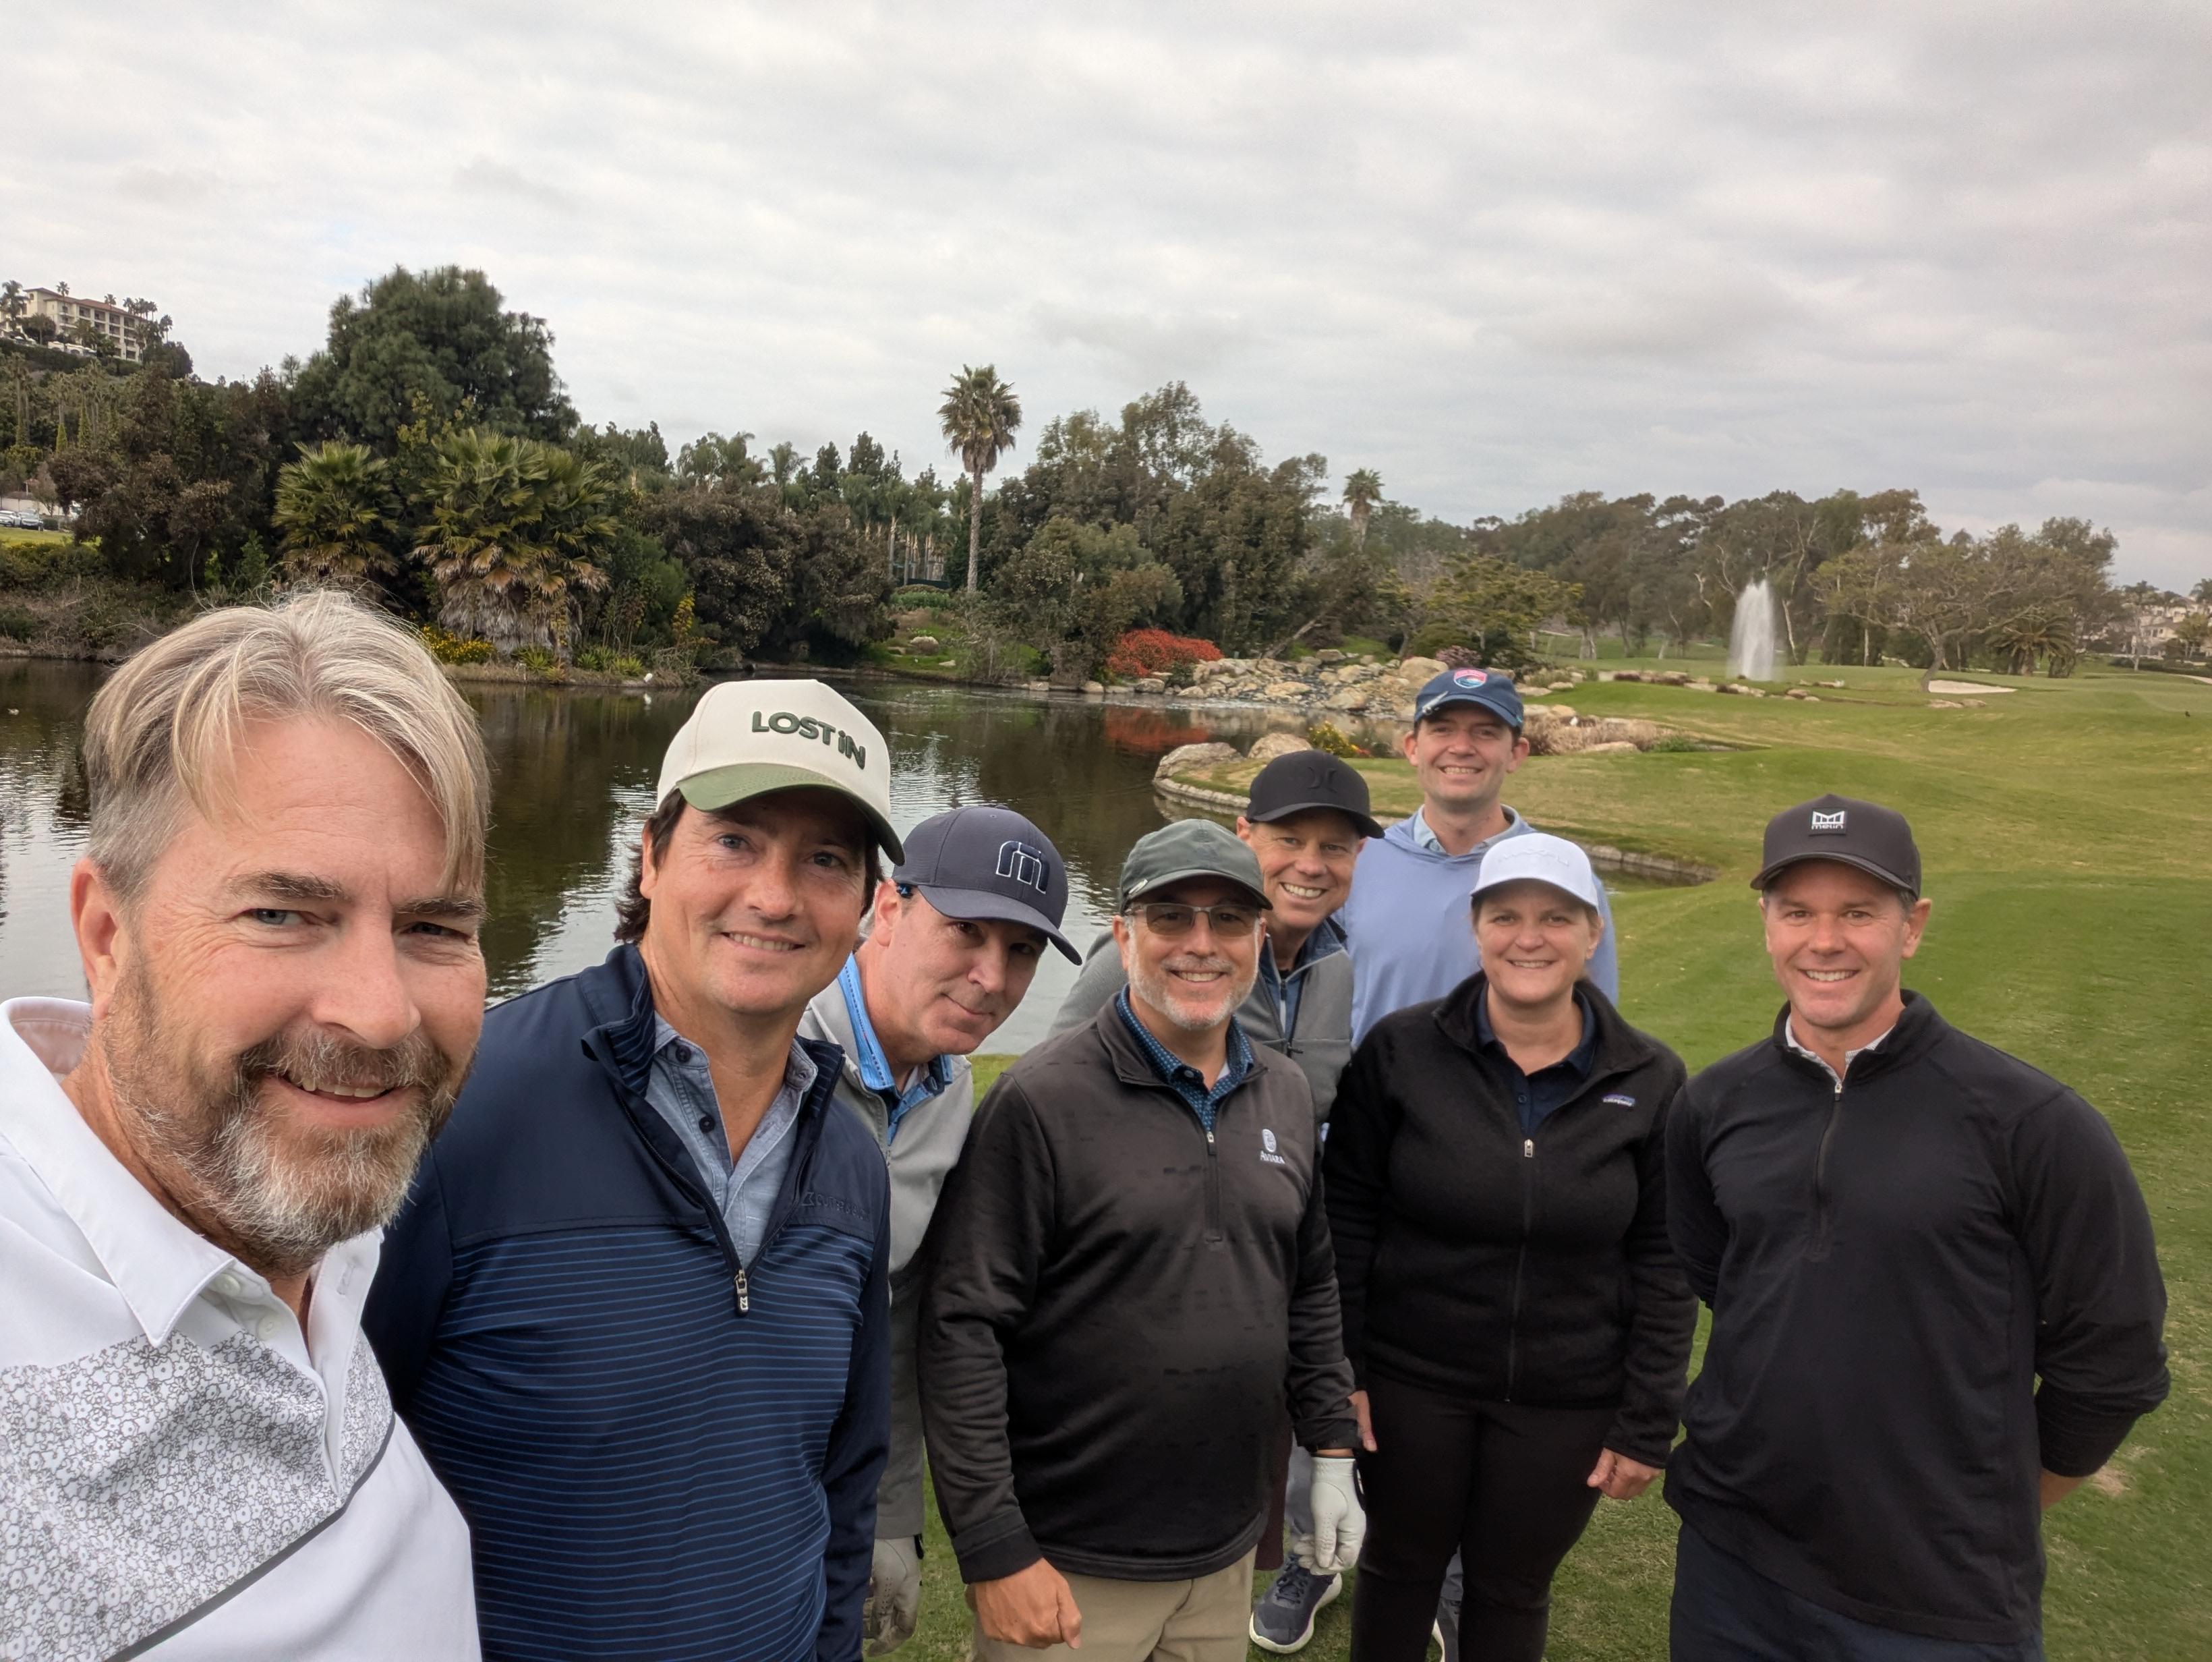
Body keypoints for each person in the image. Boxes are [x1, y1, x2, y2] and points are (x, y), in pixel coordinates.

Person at [364, 680, 899, 1662]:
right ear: (650, 855)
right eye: (733, 840)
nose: (774, 896)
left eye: (826, 859)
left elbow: (844, 1483)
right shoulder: (466, 1108)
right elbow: (334, 1463)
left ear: (867, 904)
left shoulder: (852, 1164)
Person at [1, 595, 490, 1659]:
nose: (382, 1013)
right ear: (106, 934)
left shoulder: (308, 1228)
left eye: (434, 926)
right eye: (280, 915)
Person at [1664, 795, 2170, 1660]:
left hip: (1936, 1596)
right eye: (1798, 912)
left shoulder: (2030, 1122)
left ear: (1913, 925)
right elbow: (1726, 1279)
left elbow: (2113, 1362)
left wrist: (1992, 1502)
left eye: (1858, 912)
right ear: (1767, 925)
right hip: (1732, 1565)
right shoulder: (1713, 1103)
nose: (1824, 941)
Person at [921, 818, 1366, 1662]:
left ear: (1259, 939)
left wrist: (1332, 1446)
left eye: (1228, 919)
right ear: (1123, 938)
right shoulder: (1040, 1102)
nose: (1201, 943)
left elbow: (1307, 1284)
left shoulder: (1282, 1092)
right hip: (1071, 1560)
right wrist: (992, 1543)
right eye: (1170, 917)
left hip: (1225, 1548)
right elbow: (962, 1329)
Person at [1325, 832, 1695, 1661]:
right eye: (1506, 916)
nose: (1530, 937)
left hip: (1567, 1398)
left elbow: (1663, 1258)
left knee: (1511, 1587)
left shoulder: (1651, 1078)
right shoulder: (1400, 1050)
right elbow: (1346, 1218)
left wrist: (1646, 1420)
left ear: (1593, 933)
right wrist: (1344, 1372)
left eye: (1556, 917)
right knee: (1399, 1567)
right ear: (1476, 928)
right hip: (1410, 1381)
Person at [1050, 755, 1381, 1653]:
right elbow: (1059, 1097)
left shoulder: (1335, 965)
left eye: (1335, 846)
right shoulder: (1150, 953)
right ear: (1246, 836)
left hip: (1258, 1266)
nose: (1311, 863)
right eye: (1290, 839)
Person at [798, 803, 1078, 1655]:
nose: (991, 976)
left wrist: (888, 1515)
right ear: (888, 907)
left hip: (833, 1488)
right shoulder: (776, 1035)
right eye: (965, 931)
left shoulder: (949, 1084)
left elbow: (898, 1312)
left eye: (1021, 950)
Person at [1341, 666, 1619, 1045]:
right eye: (1443, 730)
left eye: (1485, 732)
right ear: (1412, 747)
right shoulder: (1357, 862)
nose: (1461, 747)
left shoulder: (1562, 877)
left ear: (1516, 753)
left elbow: (1597, 1028)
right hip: (1373, 1082)